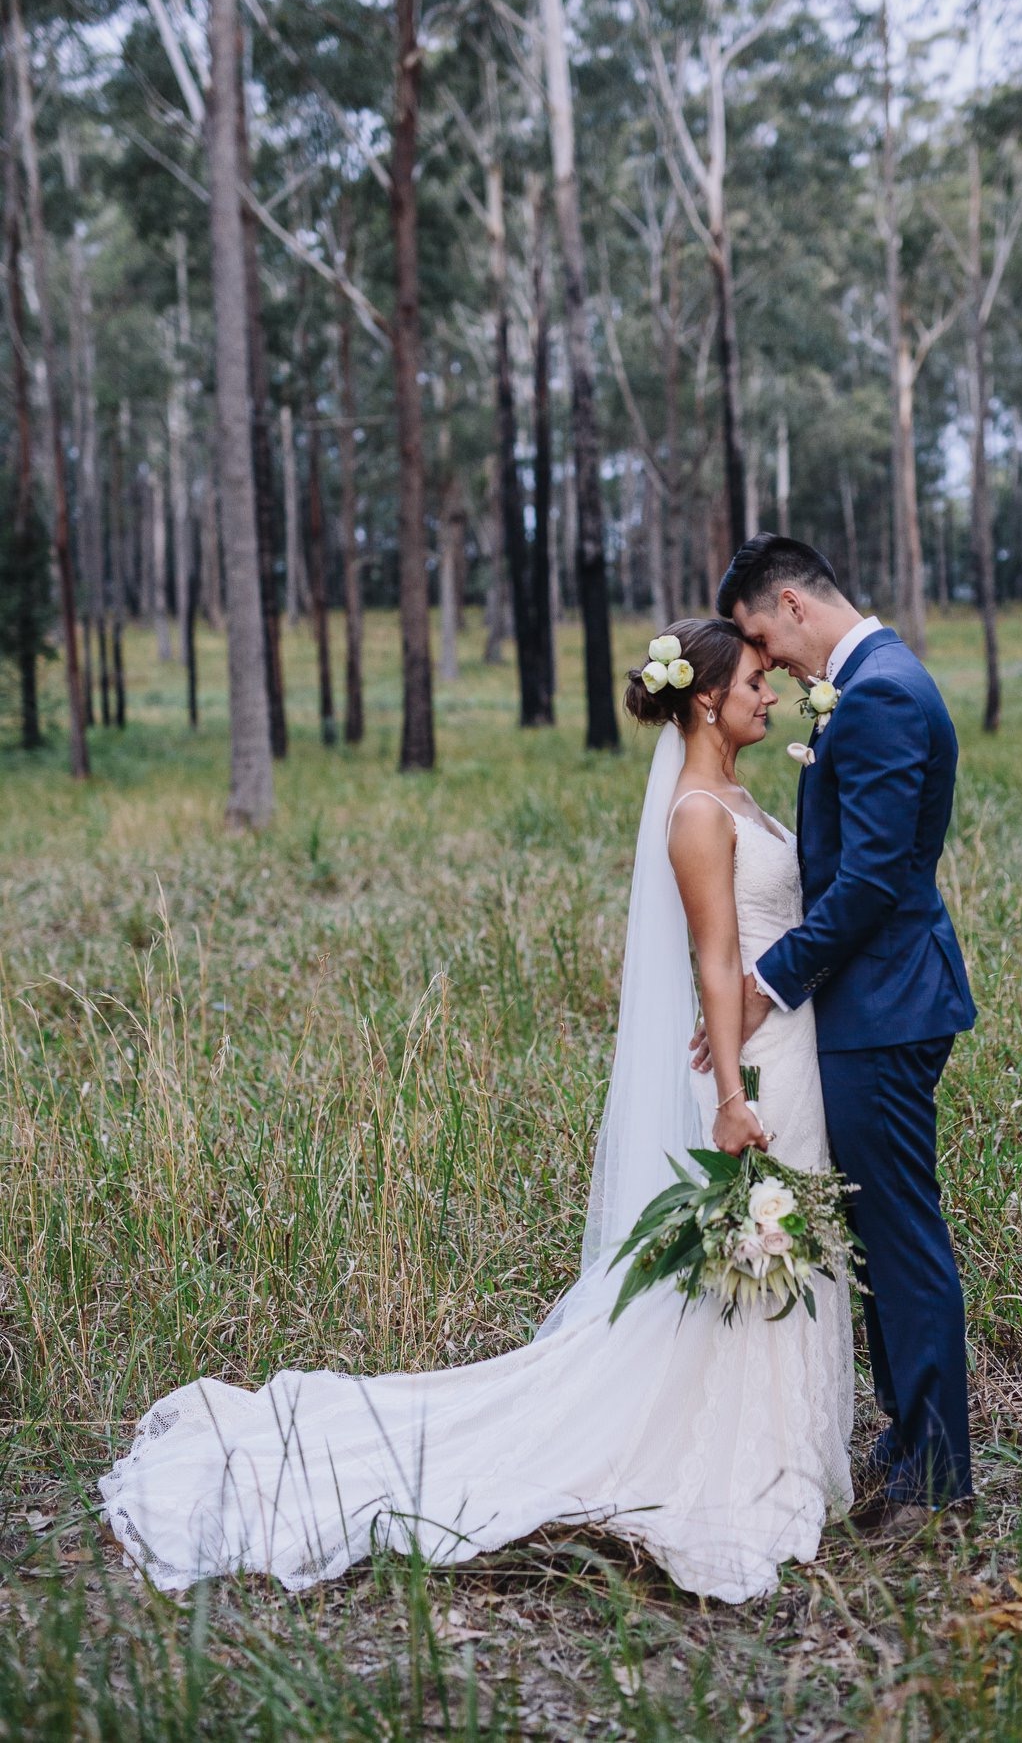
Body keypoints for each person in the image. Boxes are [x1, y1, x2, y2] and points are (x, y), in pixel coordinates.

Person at [99, 618, 856, 1602]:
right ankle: (740, 1463)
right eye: (757, 678)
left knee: (774, 1259)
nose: (770, 691)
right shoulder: (696, 813)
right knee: (750, 1260)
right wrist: (725, 1099)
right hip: (752, 1066)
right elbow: (713, 958)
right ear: (707, 696)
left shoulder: (738, 794)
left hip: (786, 1047)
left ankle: (780, 1445)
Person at [696, 532, 977, 1528]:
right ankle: (909, 1439)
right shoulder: (869, 687)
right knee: (880, 1223)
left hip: (887, 1002)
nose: (760, 659)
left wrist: (771, 979)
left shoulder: (885, 692)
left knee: (900, 1231)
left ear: (790, 601)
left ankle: (937, 1471)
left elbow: (875, 878)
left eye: (758, 634)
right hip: (872, 998)